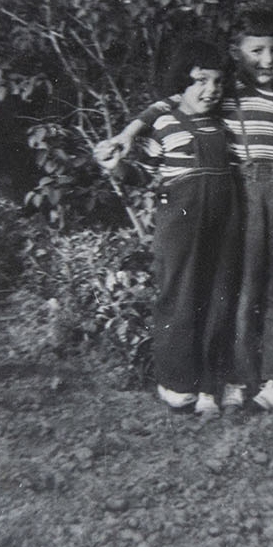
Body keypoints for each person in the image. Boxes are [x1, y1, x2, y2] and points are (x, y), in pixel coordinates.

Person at [98, 7, 273, 412]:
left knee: (257, 289)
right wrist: (125, 140)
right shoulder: (202, 108)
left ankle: (256, 377)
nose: (267, 61)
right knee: (217, 291)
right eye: (256, 51)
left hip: (260, 205)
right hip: (213, 209)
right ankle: (214, 376)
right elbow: (165, 113)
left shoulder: (271, 107)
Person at [94, 39, 239, 416]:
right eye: (200, 81)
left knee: (219, 295)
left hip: (224, 221)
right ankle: (177, 382)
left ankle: (211, 383)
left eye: (217, 82)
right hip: (179, 220)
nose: (211, 90)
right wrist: (114, 164)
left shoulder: (224, 123)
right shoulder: (164, 122)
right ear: (182, 84)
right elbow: (141, 174)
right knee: (178, 295)